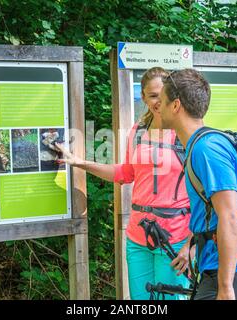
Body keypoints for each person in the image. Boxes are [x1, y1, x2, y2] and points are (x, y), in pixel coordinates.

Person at [55, 67, 192, 300]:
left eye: (162, 94)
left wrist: (191, 245)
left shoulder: (185, 131)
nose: (157, 101)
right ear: (144, 97)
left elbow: (204, 193)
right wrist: (80, 163)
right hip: (139, 236)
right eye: (151, 95)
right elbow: (126, 173)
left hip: (176, 237)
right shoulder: (138, 130)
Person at [158, 68, 237, 300]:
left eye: (163, 101)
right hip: (228, 270)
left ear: (176, 105)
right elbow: (211, 213)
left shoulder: (207, 149)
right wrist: (192, 244)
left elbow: (229, 215)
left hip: (236, 274)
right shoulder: (202, 144)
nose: (158, 106)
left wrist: (225, 287)